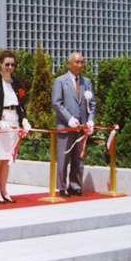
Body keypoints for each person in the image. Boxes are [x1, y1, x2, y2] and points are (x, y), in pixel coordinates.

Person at [0, 51, 31, 204]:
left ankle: (4, 189)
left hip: (13, 118)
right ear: (0, 64)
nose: (10, 67)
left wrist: (24, 120)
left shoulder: (16, 81)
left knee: (7, 158)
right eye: (7, 64)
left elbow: (21, 104)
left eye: (12, 64)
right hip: (0, 120)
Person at [52, 51, 95, 197]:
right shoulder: (60, 81)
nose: (80, 65)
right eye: (76, 62)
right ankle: (62, 187)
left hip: (82, 126)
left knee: (79, 157)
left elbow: (92, 104)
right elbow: (56, 103)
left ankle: (75, 186)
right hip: (66, 125)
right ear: (69, 63)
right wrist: (69, 118)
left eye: (82, 62)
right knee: (63, 157)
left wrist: (90, 119)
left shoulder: (86, 81)